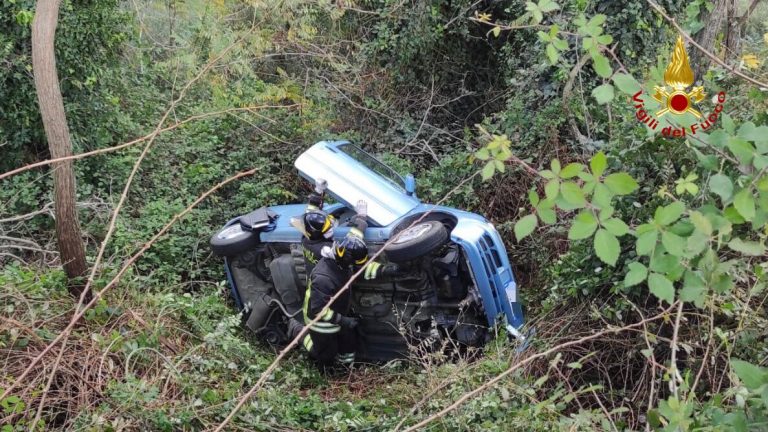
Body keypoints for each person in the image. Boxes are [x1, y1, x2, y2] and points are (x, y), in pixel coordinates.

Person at [301, 200, 401, 366]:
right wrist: (343, 321)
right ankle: (299, 334)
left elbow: (355, 250)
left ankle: (345, 369)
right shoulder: (324, 277)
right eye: (328, 227)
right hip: (319, 321)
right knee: (325, 354)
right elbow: (319, 311)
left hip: (336, 308)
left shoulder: (342, 257)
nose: (332, 228)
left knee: (348, 342)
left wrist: (388, 270)